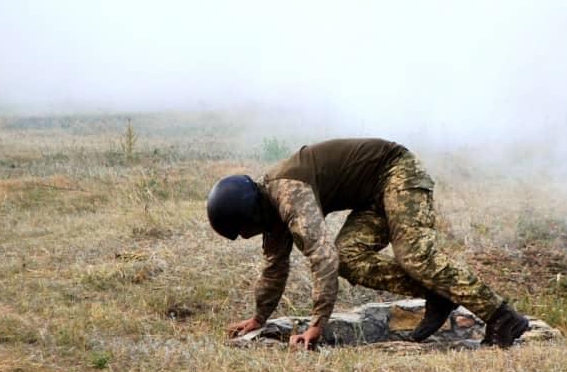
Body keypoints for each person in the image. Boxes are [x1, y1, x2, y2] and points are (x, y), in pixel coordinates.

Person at [207, 138, 530, 350]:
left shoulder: (287, 193)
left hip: (396, 171)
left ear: (250, 214)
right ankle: (438, 295)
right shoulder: (270, 211)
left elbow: (322, 257)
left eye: (246, 230)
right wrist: (259, 319)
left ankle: (502, 316)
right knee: (349, 257)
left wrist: (317, 324)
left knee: (415, 255)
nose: (250, 235)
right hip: (372, 197)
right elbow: (274, 268)